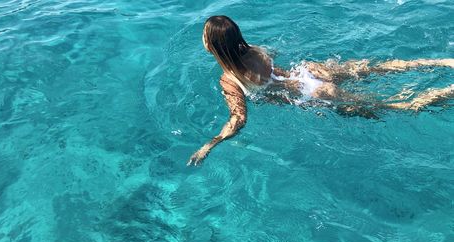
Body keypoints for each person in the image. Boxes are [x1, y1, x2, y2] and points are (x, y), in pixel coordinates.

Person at [187, 15, 454, 166]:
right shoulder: (255, 50)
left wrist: (209, 145)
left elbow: (238, 120)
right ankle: (439, 62)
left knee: (394, 107)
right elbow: (274, 63)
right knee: (379, 68)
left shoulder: (230, 79)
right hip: (311, 71)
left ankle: (447, 92)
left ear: (212, 46)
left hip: (310, 94)